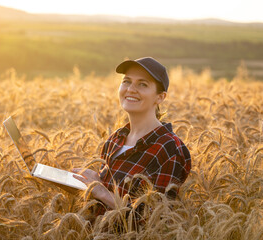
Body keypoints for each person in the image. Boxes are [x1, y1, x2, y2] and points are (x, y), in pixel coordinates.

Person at [72, 57, 191, 216]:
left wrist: (102, 193)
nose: (131, 89)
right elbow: (108, 201)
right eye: (127, 81)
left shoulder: (169, 149)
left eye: (143, 84)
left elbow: (155, 219)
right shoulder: (115, 139)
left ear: (160, 97)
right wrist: (96, 180)